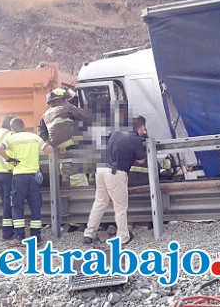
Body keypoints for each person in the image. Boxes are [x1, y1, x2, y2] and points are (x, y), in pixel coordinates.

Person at [83, 115, 147, 245]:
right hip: (116, 172)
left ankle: (89, 233)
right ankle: (123, 236)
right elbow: (141, 161)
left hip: (100, 169)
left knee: (100, 202)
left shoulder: (116, 132)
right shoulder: (135, 139)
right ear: (141, 127)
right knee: (120, 207)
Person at [0, 118, 53, 246]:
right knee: (35, 206)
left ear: (12, 129)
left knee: (17, 207)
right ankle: (36, 237)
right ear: (24, 125)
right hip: (34, 177)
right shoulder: (34, 137)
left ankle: (19, 237)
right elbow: (48, 150)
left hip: (19, 177)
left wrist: (12, 161)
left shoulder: (11, 138)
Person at [37, 87, 86, 187]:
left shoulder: (45, 114)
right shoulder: (67, 107)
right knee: (77, 170)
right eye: (66, 99)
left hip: (57, 147)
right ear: (62, 99)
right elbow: (85, 116)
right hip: (71, 143)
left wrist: (48, 143)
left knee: (66, 163)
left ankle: (65, 177)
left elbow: (41, 131)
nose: (68, 101)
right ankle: (80, 184)